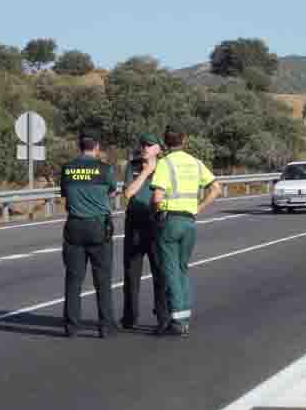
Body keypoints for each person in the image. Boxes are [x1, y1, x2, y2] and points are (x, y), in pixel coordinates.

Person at [151, 126, 222, 337]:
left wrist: (157, 213)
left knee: (171, 270)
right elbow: (216, 188)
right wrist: (199, 207)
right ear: (185, 140)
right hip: (189, 221)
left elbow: (157, 197)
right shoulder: (195, 162)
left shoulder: (165, 163)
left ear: (165, 142)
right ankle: (185, 317)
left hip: (170, 221)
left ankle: (177, 320)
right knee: (182, 269)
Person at [60, 131, 119, 338]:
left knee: (73, 279)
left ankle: (71, 326)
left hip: (74, 226)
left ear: (79, 146)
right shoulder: (105, 169)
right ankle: (105, 325)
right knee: (102, 279)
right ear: (97, 146)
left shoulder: (67, 169)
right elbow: (112, 192)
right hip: (98, 227)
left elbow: (66, 195)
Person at [121, 133, 169, 332]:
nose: (145, 148)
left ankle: (162, 316)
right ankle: (129, 317)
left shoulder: (166, 166)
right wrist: (145, 172)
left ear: (158, 148)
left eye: (149, 145)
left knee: (160, 272)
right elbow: (128, 193)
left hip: (157, 223)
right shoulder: (132, 167)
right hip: (134, 223)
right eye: (143, 145)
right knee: (131, 274)